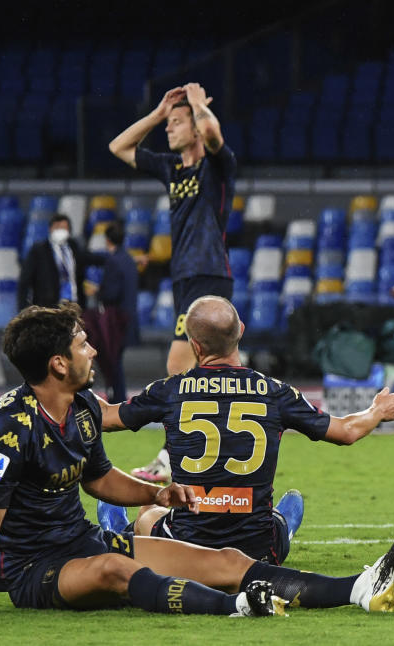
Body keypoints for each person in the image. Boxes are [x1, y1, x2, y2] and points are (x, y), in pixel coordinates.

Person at [0, 303, 394, 617]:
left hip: (84, 539)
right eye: (81, 343)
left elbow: (98, 479)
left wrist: (158, 492)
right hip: (36, 570)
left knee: (227, 560)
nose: (93, 349)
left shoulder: (85, 406)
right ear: (57, 363)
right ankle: (238, 607)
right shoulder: (12, 425)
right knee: (117, 570)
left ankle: (359, 587)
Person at [95, 295, 394, 566]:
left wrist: (60, 385)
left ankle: (116, 533)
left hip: (186, 547)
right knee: (292, 503)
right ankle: (283, 527)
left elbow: (106, 417)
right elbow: (347, 431)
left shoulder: (170, 390)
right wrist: (378, 410)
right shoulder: (276, 392)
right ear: (241, 330)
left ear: (195, 346)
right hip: (258, 550)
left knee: (150, 509)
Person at [109, 82, 236, 483]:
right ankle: (232, 439)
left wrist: (198, 104)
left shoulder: (217, 166)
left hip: (208, 274)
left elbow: (214, 135)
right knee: (220, 369)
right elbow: (119, 147)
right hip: (185, 277)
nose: (170, 130)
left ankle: (171, 455)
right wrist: (159, 113)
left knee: (177, 365)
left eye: (177, 124)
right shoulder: (171, 168)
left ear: (196, 128)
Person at [83, 220, 139, 403]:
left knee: (113, 362)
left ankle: (117, 399)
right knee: (117, 361)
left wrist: (96, 291)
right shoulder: (129, 259)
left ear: (107, 240)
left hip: (116, 319)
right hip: (129, 315)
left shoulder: (113, 261)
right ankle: (118, 397)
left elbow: (112, 293)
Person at [17, 213, 105, 309]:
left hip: (73, 305)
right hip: (48, 306)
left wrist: (111, 258)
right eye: (57, 227)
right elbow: (25, 280)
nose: (60, 230)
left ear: (69, 230)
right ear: (50, 229)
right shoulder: (39, 250)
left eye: (64, 227)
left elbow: (88, 258)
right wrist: (22, 308)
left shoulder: (73, 246)